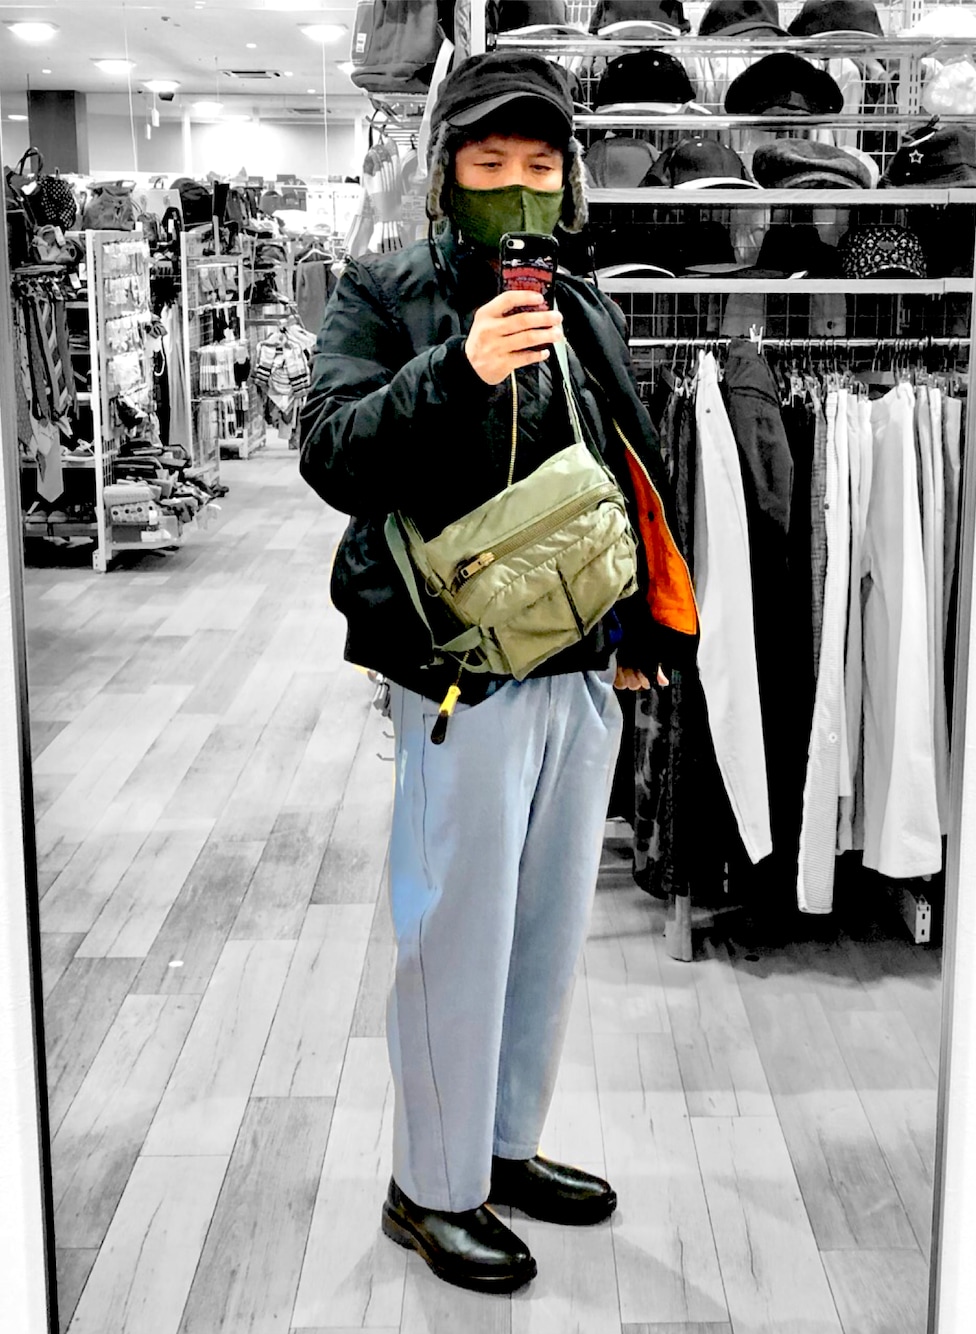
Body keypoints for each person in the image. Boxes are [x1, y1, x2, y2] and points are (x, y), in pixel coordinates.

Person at [299, 50, 698, 1295]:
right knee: (454, 929)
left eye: (538, 163)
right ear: (446, 175)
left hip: (578, 667)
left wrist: (644, 630)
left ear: (566, 179)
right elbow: (330, 454)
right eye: (488, 163)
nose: (516, 187)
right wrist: (456, 368)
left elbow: (628, 465)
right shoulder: (386, 294)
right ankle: (429, 1185)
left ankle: (502, 1144)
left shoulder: (581, 301)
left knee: (545, 927)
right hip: (455, 674)